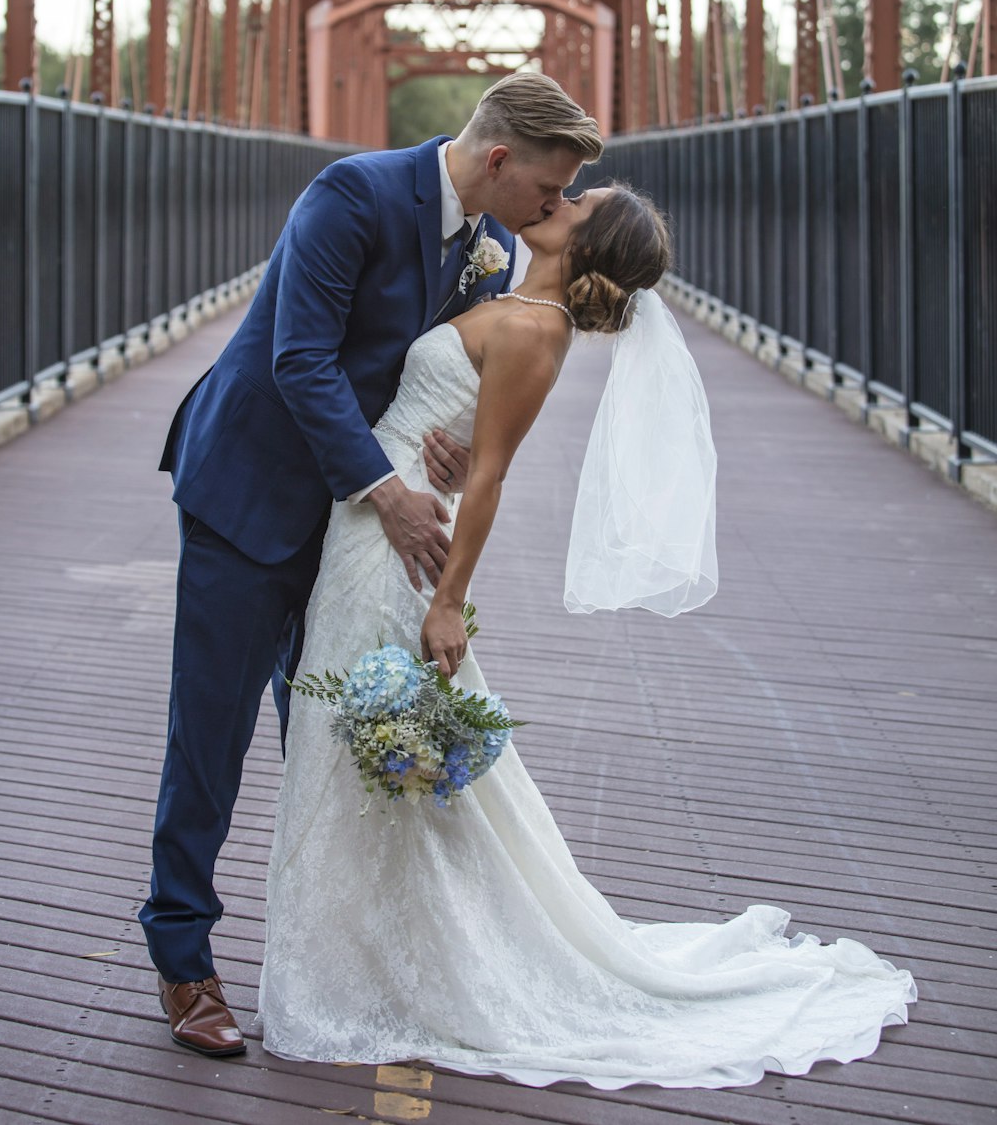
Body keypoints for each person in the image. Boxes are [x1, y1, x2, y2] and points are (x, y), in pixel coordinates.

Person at [258, 184, 916, 1090]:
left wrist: (450, 602)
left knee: (372, 751)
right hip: (378, 507)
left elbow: (486, 480)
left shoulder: (534, 329)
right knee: (360, 749)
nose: (553, 195)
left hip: (401, 549)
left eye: (574, 198)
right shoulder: (506, 294)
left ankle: (399, 971)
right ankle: (373, 955)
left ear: (584, 238)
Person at [139, 72, 605, 1057]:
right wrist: (387, 490)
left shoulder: (490, 253)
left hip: (350, 529)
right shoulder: (354, 193)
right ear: (496, 161)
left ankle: (344, 957)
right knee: (209, 737)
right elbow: (299, 358)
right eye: (546, 188)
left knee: (338, 745)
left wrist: (437, 440)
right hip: (253, 496)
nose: (551, 209)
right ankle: (183, 959)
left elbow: (420, 362)